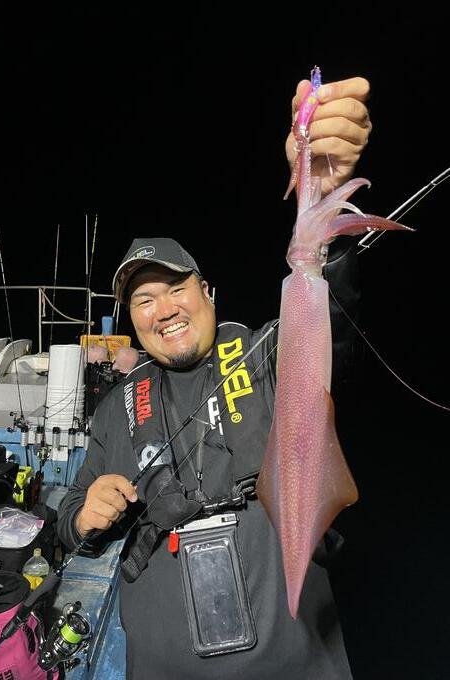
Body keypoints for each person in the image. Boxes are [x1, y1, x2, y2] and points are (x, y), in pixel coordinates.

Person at [57, 75, 371, 679]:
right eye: (143, 300)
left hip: (294, 663)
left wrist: (323, 194)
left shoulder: (268, 357)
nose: (163, 309)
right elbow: (72, 516)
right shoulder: (117, 408)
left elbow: (330, 321)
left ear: (207, 291)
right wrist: (82, 515)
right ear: (133, 321)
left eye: (175, 288)